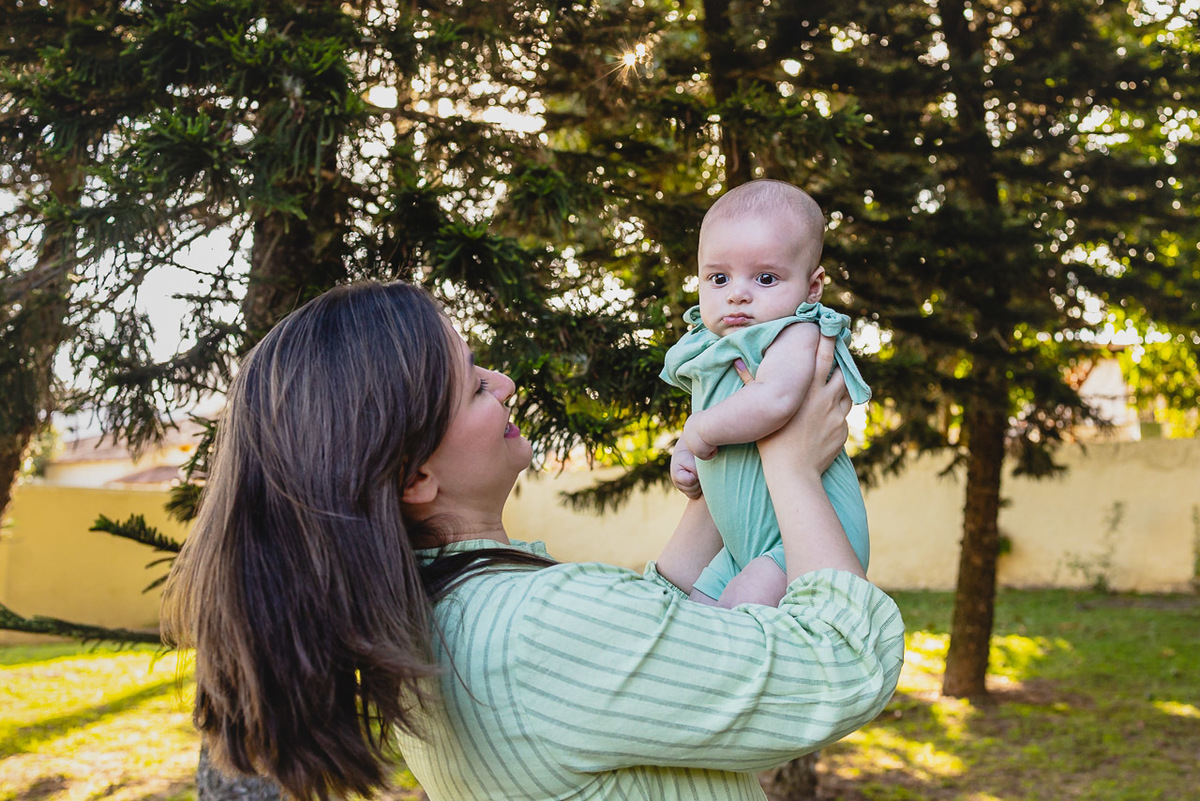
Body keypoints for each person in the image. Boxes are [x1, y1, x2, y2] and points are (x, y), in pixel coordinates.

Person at [161, 280, 905, 801]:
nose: (506, 381)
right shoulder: (539, 628)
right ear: (416, 475)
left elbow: (645, 640)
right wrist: (791, 467)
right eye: (474, 386)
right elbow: (842, 663)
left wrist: (731, 449)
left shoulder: (428, 622)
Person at [661, 179, 872, 608]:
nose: (737, 293)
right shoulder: (715, 345)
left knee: (736, 620)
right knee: (695, 620)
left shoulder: (795, 332)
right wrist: (687, 446)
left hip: (800, 537)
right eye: (718, 277)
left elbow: (774, 399)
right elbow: (719, 408)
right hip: (741, 545)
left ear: (812, 288)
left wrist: (698, 431)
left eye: (765, 277)